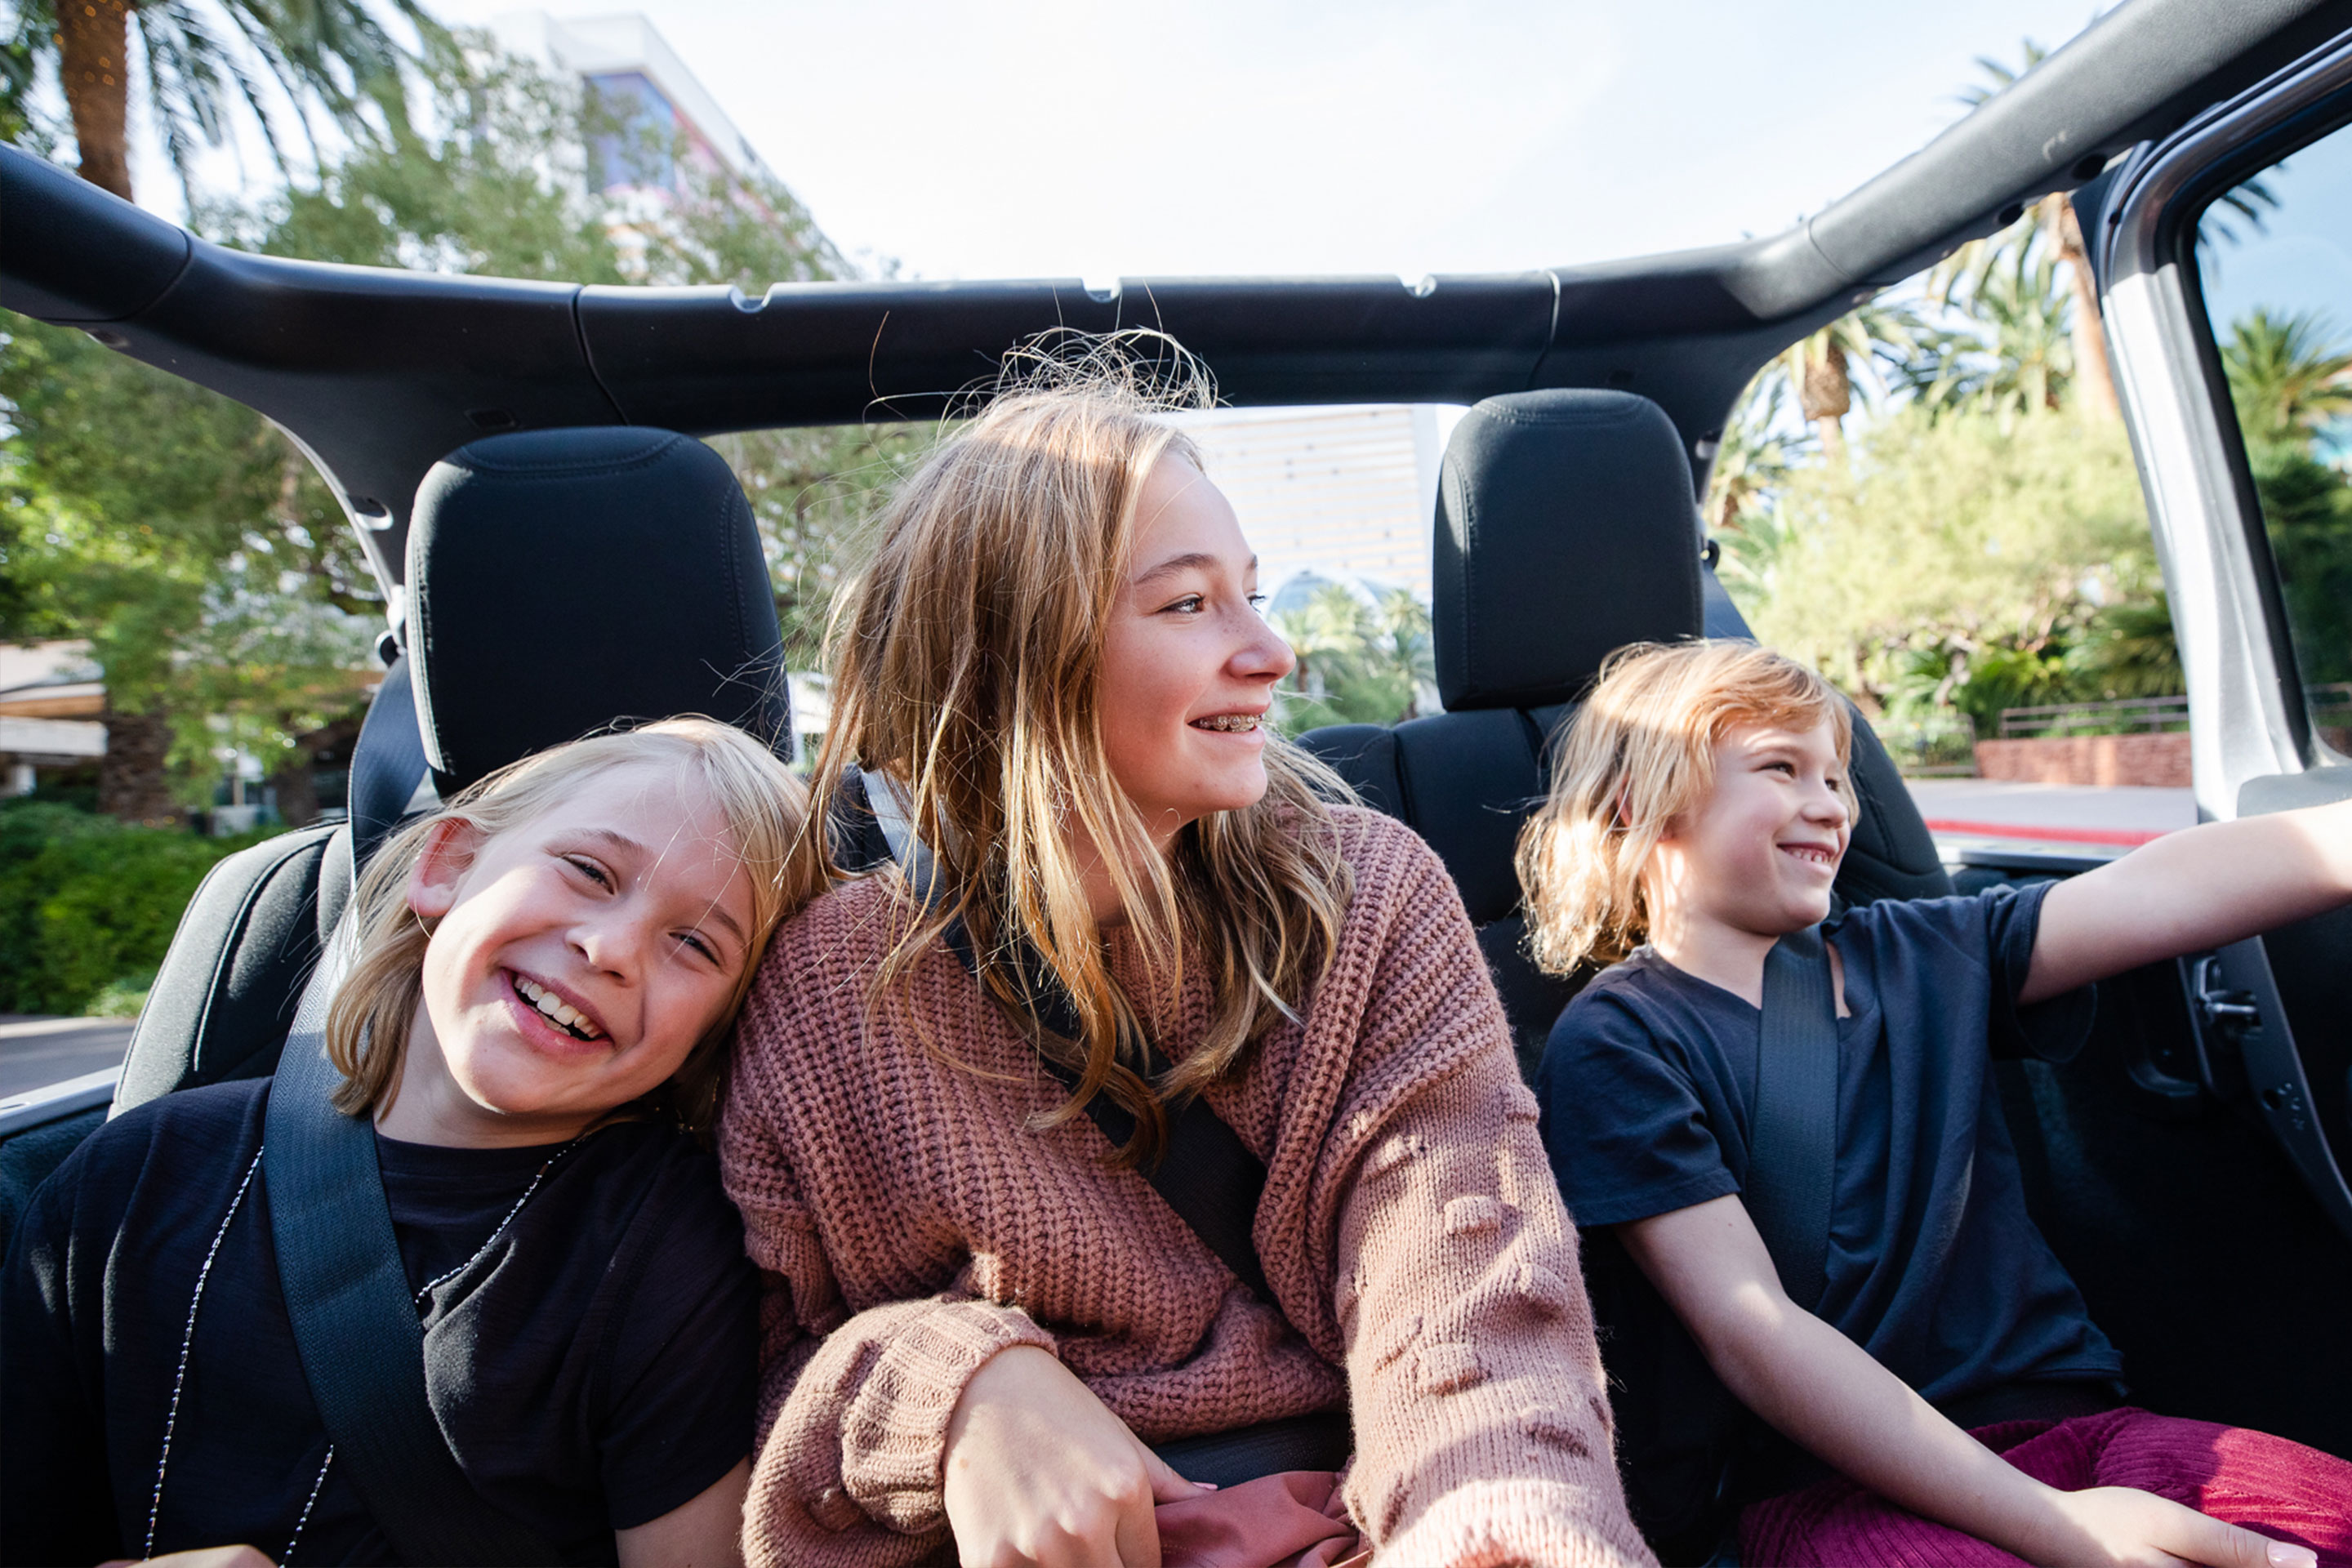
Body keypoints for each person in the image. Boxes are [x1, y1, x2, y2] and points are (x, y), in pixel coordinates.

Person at [720, 341, 1655, 1568]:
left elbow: (1473, 1290)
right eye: (1187, 603)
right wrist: (957, 1389)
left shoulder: (1364, 895)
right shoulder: (825, 987)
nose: (1271, 653)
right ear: (1011, 659)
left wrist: (1503, 1539)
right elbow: (780, 1383)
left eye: (1252, 592)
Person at [1519, 638, 2352, 1568]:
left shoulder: (1928, 952)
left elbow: (2161, 885)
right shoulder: (1620, 1043)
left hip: (2082, 1434)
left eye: (1837, 776)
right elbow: (1754, 1333)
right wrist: (2064, 1530)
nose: (1829, 805)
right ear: (1643, 805)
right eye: (1781, 768)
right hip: (1830, 1485)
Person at [2, 716, 817, 1566]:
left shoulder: (670, 1250)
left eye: (693, 943)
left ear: (719, 1028)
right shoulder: (134, 1180)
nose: (609, 948)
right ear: (449, 864)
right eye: (588, 871)